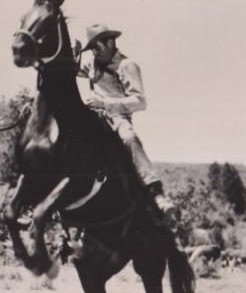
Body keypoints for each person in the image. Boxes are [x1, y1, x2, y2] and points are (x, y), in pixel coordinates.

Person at [74, 23, 177, 219]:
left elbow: (140, 101)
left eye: (97, 46)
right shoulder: (92, 62)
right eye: (92, 47)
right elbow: (74, 70)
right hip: (91, 114)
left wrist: (104, 103)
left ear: (110, 42)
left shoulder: (127, 65)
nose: (94, 51)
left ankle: (157, 194)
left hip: (116, 117)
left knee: (129, 138)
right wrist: (74, 54)